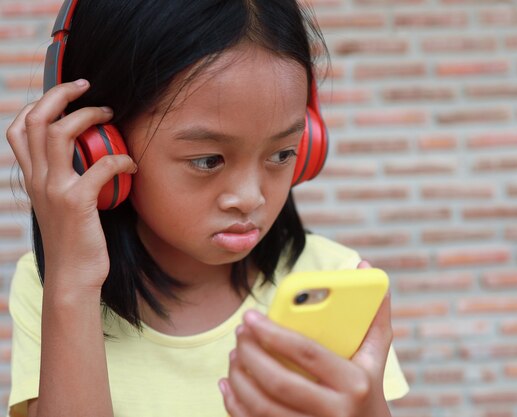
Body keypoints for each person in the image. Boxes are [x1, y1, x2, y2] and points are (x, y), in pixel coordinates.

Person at [5, 0, 409, 416]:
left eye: (283, 153)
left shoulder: (336, 277)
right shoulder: (54, 289)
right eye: (208, 160)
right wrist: (72, 282)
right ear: (95, 148)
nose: (250, 197)